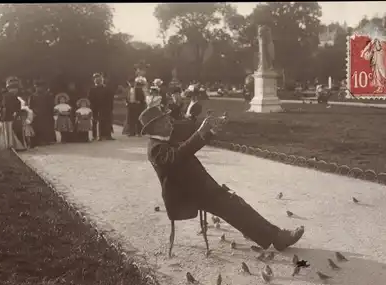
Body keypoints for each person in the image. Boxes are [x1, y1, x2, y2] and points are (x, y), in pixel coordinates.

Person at [139, 106, 305, 251]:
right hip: (186, 196)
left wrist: (210, 132)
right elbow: (180, 155)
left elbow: (185, 149)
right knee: (233, 205)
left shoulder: (164, 141)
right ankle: (277, 238)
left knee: (235, 203)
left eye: (168, 119)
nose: (170, 122)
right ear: (154, 127)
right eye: (165, 121)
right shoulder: (155, 149)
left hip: (196, 188)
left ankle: (266, 234)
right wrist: (200, 132)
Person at [0, 77, 26, 151]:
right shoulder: (7, 96)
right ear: (8, 89)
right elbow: (6, 106)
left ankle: (11, 144)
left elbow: (17, 106)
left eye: (16, 88)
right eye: (12, 88)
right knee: (8, 129)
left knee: (11, 130)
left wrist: (17, 111)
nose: (15, 90)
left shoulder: (14, 97)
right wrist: (14, 112)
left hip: (10, 115)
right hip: (7, 116)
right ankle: (8, 144)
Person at [28, 80, 56, 146]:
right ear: (35, 87)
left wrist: (51, 113)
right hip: (36, 114)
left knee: (46, 127)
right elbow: (30, 106)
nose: (39, 88)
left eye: (40, 87)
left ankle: (46, 140)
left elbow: (51, 105)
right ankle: (37, 141)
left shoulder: (47, 95)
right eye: (37, 87)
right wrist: (32, 113)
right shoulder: (32, 96)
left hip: (46, 114)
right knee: (37, 127)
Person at [88, 73, 115, 141]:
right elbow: (90, 99)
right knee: (95, 122)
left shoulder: (107, 89)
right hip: (95, 108)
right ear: (94, 80)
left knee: (107, 121)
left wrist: (110, 107)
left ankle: (107, 135)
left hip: (106, 107)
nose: (98, 80)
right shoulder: (92, 89)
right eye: (96, 79)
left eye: (99, 79)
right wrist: (92, 107)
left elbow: (110, 99)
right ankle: (95, 136)